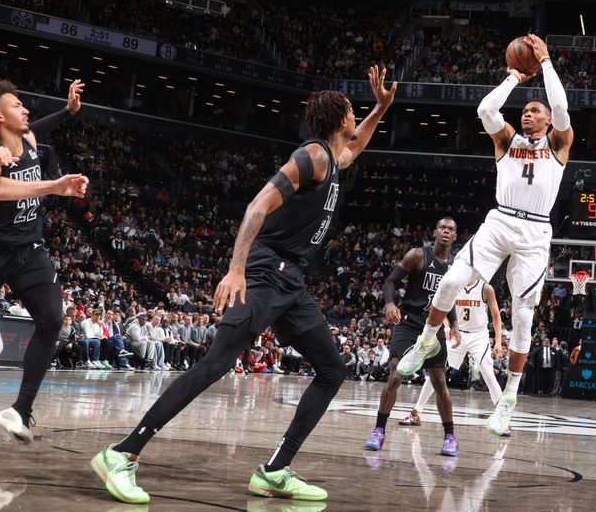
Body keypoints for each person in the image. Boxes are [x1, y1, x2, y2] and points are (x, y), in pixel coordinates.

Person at [90, 66, 397, 504]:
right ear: (338, 118)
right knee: (215, 364)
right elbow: (257, 206)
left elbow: (357, 146)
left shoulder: (333, 159)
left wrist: (382, 107)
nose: (356, 116)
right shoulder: (310, 157)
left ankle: (275, 470)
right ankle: (122, 454)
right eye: (353, 110)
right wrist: (237, 270)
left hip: (292, 283)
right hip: (265, 272)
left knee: (332, 370)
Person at [394, 34, 574, 436]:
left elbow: (560, 105)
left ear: (547, 121)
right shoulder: (507, 140)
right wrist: (514, 77)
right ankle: (426, 341)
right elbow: (485, 108)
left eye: (533, 111)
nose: (527, 115)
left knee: (523, 318)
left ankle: (507, 400)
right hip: (500, 221)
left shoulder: (560, 143)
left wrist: (544, 63)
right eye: (525, 111)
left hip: (534, 232)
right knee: (454, 279)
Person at [0, 77, 88, 443]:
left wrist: (68, 110)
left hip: (28, 250)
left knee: (52, 320)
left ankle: (20, 410)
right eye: (17, 106)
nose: (25, 109)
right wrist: (55, 186)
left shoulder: (29, 140)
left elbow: (39, 126)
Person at [363, 218, 461, 457]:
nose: (446, 232)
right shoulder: (418, 255)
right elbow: (391, 281)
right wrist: (389, 303)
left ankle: (450, 437)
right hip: (409, 323)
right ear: (435, 232)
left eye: (451, 229)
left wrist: (455, 324)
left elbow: (449, 299)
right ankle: (379, 430)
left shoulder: (456, 266)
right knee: (396, 375)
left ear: (455, 236)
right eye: (442, 228)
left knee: (439, 383)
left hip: (434, 326)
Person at [399, 277, 507, 434]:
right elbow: (440, 307)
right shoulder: (454, 284)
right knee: (436, 371)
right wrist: (448, 327)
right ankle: (416, 412)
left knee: (488, 372)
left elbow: (496, 315)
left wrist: (498, 341)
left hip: (479, 335)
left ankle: (503, 419)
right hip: (458, 333)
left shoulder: (486, 288)